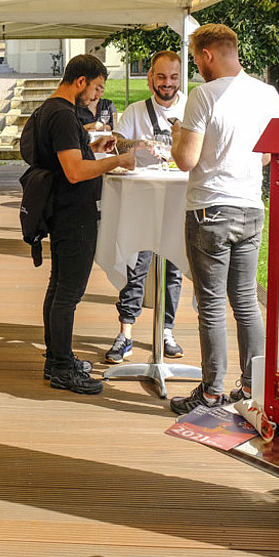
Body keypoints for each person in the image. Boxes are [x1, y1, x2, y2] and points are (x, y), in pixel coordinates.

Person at [169, 24, 279, 414]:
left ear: (206, 56)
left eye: (195, 59)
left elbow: (186, 160)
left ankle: (213, 390)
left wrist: (178, 134)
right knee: (247, 302)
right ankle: (252, 388)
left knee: (213, 304)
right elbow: (267, 156)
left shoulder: (203, 96)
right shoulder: (268, 94)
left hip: (209, 209)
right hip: (251, 207)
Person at [29, 54, 142, 395]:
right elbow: (75, 171)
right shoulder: (64, 115)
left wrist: (92, 146)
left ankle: (56, 358)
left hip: (60, 210)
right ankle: (62, 367)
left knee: (58, 287)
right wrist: (117, 160)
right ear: (80, 82)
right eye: (96, 88)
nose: (96, 96)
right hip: (73, 213)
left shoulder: (49, 109)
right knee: (68, 293)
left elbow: (64, 156)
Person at [105, 51, 187, 364]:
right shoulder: (136, 110)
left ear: (180, 77)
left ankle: (166, 330)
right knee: (134, 267)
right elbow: (117, 143)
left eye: (173, 77)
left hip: (176, 201)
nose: (167, 83)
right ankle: (126, 332)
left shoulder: (191, 109)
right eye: (162, 76)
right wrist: (138, 145)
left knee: (173, 269)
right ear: (151, 76)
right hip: (140, 201)